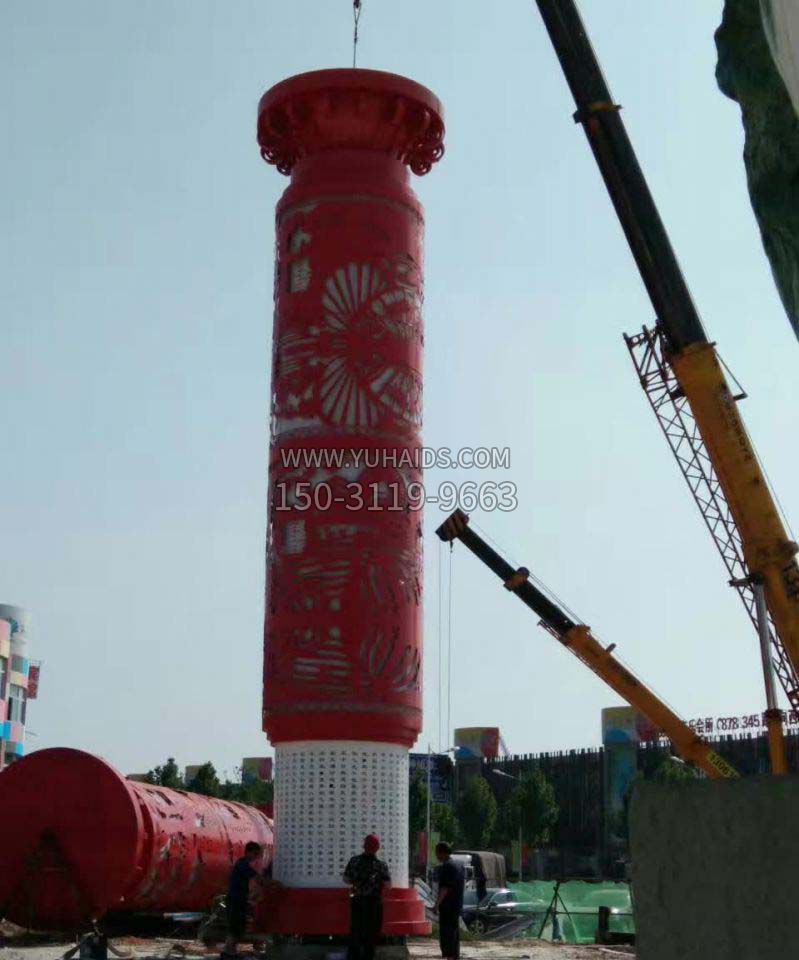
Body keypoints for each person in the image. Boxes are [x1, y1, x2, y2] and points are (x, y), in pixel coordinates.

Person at [343, 834, 391, 960]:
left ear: (364, 846)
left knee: (356, 930)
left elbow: (346, 879)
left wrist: (356, 882)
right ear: (377, 848)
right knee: (372, 933)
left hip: (357, 900)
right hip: (374, 903)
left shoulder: (354, 861)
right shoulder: (381, 865)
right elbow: (388, 885)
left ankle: (353, 956)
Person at [222, 841, 264, 958]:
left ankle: (231, 952)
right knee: (234, 928)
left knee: (238, 927)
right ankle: (228, 952)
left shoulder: (243, 864)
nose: (256, 857)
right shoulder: (242, 864)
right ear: (248, 852)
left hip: (239, 899)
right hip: (235, 900)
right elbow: (257, 878)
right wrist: (272, 883)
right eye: (255, 854)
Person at [434, 842, 464, 960]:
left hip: (447, 906)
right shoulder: (459, 865)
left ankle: (450, 957)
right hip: (456, 905)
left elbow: (445, 888)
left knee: (447, 934)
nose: (436, 856)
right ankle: (454, 956)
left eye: (437, 853)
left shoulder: (447, 866)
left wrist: (436, 905)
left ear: (442, 852)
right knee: (454, 934)